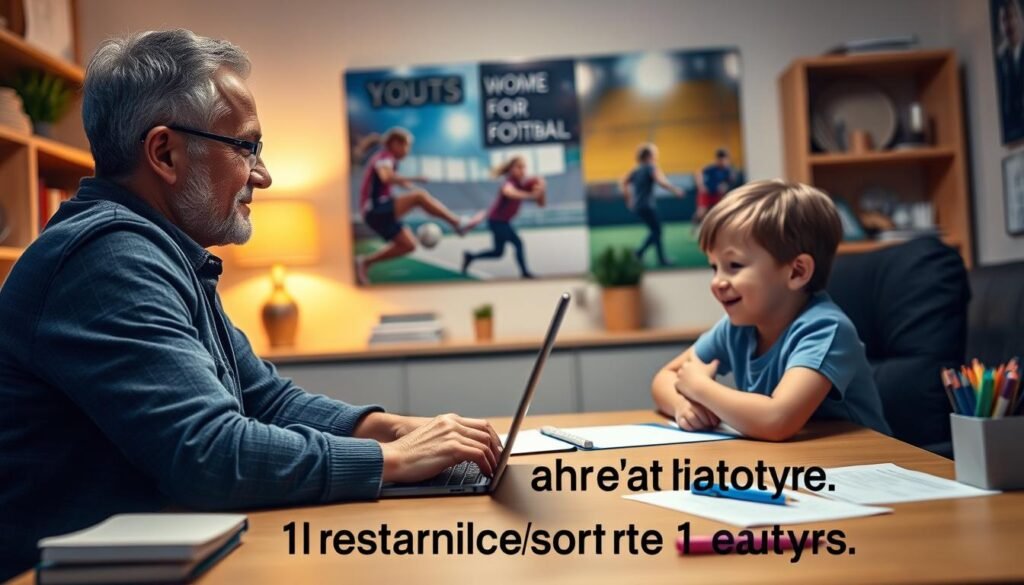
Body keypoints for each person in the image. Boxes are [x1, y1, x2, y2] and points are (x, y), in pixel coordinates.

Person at [0, 30, 501, 581]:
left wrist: (395, 429)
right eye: (247, 147)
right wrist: (393, 462)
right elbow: (209, 454)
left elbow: (264, 400)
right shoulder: (106, 257)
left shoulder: (162, 253)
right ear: (164, 152)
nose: (262, 174)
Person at [650, 180, 891, 441]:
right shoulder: (736, 327)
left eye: (734, 264)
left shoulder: (826, 330)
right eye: (714, 267)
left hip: (859, 468)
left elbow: (777, 420)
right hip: (795, 467)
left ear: (797, 271)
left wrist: (699, 388)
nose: (717, 282)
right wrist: (682, 406)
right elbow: (665, 377)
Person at [354, 128, 484, 284]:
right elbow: (386, 177)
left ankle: (365, 262)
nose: (408, 151)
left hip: (380, 211)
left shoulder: (390, 161)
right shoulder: (384, 157)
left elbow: (390, 180)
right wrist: (415, 179)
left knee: (408, 245)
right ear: (395, 144)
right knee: (419, 196)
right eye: (406, 146)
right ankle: (458, 223)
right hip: (374, 209)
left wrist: (407, 185)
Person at [461, 156, 545, 278]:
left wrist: (542, 190)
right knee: (518, 243)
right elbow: (508, 192)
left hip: (501, 222)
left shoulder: (521, 185)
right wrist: (530, 194)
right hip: (497, 221)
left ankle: (470, 256)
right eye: (519, 167)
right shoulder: (509, 182)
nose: (522, 170)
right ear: (511, 169)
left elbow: (541, 204)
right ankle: (525, 273)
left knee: (498, 252)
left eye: (524, 167)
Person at [620, 143, 684, 267]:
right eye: (654, 153)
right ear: (649, 155)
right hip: (647, 205)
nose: (656, 155)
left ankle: (652, 257)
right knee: (657, 231)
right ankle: (642, 253)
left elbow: (623, 182)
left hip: (638, 205)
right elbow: (661, 182)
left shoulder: (636, 170)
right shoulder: (651, 167)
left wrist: (629, 200)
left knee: (655, 230)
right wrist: (675, 190)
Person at [996, 0, 1024, 142]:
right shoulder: (1001, 60)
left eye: (1012, 17)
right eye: (1004, 20)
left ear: (1020, 19)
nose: (1009, 25)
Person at [693, 148, 738, 232]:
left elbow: (731, 181)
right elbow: (698, 173)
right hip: (706, 193)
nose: (723, 162)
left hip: (718, 195)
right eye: (720, 160)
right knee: (701, 212)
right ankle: (695, 228)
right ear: (717, 159)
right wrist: (701, 185)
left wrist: (725, 185)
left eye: (725, 160)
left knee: (720, 212)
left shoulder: (729, 170)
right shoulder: (711, 168)